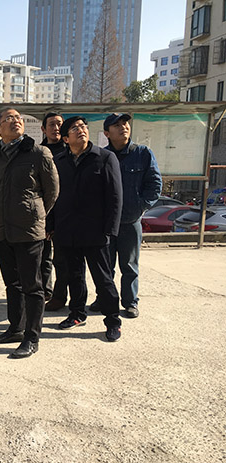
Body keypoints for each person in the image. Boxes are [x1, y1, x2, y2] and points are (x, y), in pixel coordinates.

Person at [0, 108, 59, 359]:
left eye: (18, 118)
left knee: (32, 285)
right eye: (9, 119)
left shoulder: (38, 153)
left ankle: (31, 337)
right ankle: (15, 328)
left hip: (28, 229)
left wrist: (34, 213)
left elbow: (52, 191)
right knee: (11, 283)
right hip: (0, 228)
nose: (15, 121)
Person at [51, 116, 123, 342]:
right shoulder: (59, 161)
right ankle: (77, 314)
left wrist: (110, 229)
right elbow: (52, 196)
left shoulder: (104, 158)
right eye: (75, 128)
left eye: (83, 126)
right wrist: (52, 226)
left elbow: (115, 196)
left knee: (103, 279)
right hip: (67, 229)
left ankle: (113, 320)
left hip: (95, 230)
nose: (81, 130)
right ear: (65, 138)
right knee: (74, 276)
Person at [88, 113, 162, 318]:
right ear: (107, 133)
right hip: (106, 222)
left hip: (131, 220)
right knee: (105, 265)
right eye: (117, 125)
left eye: (125, 123)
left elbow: (155, 184)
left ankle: (130, 302)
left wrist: (140, 207)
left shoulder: (142, 153)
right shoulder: (101, 156)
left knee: (129, 265)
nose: (123, 127)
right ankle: (104, 298)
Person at [39, 113, 71, 312]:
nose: (56, 128)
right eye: (51, 124)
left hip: (65, 214)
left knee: (62, 259)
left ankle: (60, 295)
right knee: (42, 257)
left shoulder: (70, 151)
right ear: (43, 129)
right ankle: (45, 290)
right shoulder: (38, 152)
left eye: (59, 124)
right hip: (43, 212)